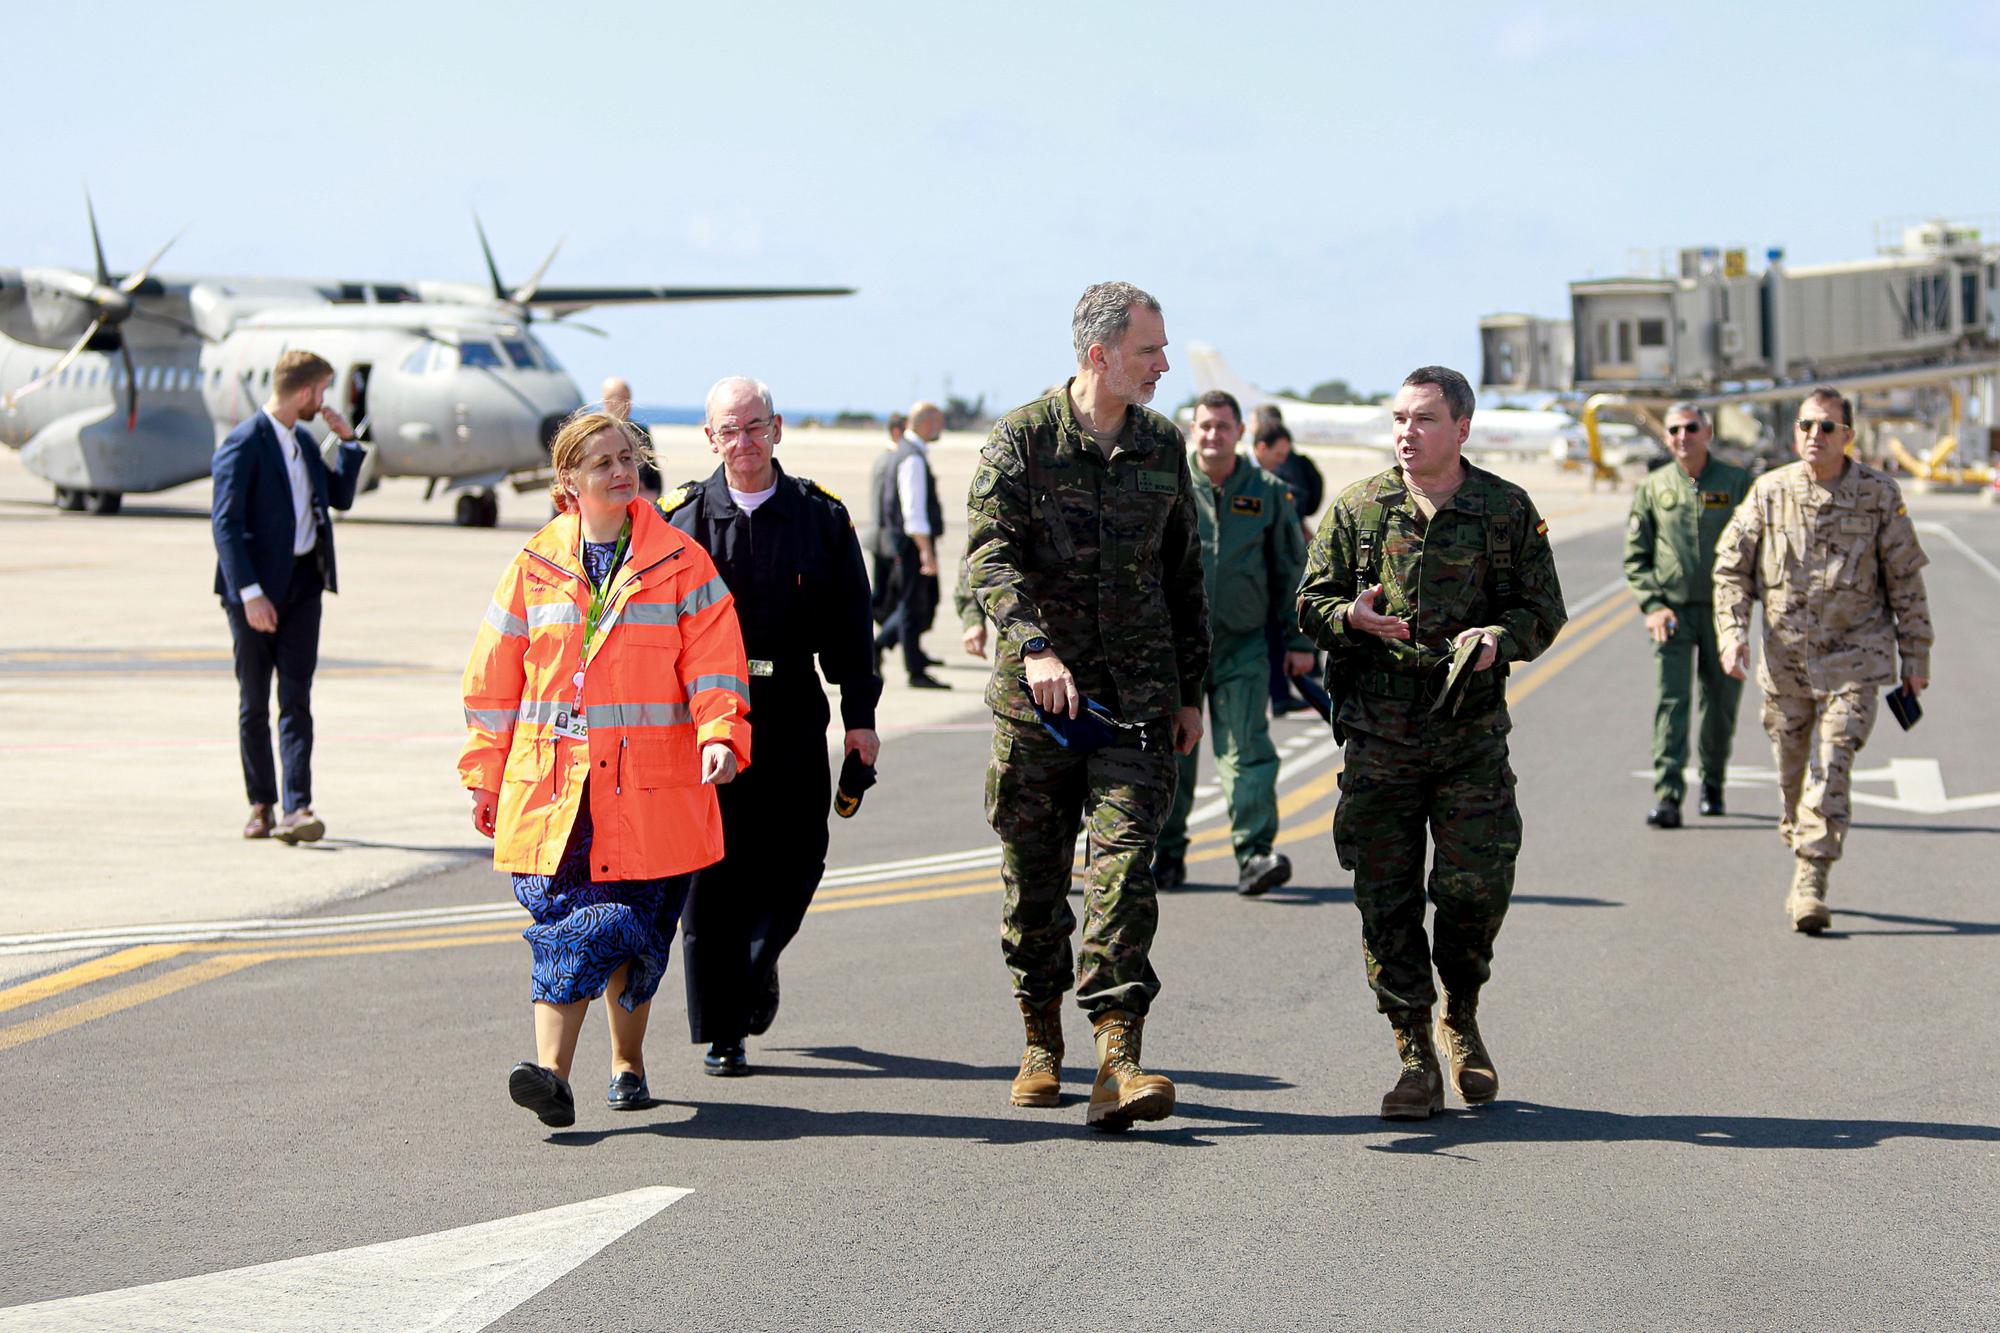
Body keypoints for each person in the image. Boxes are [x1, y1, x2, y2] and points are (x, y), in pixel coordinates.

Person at [460, 410, 751, 1127]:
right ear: (569, 482)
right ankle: (551, 1075)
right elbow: (493, 682)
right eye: (602, 463)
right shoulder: (534, 565)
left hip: (652, 786)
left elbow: (717, 664)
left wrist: (720, 734)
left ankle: (628, 1062)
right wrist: (484, 773)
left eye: (627, 457)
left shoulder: (682, 561)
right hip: (560, 792)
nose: (621, 472)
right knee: (575, 919)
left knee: (640, 930)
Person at [965, 280, 1208, 1131]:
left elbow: (1184, 577)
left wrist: (1190, 692)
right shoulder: (1022, 441)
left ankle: (1118, 1052)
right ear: (1099, 354)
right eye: (1151, 351)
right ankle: (1040, 1039)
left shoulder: (1163, 446)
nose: (1165, 365)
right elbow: (987, 556)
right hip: (1037, 714)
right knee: (1034, 886)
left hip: (1136, 707)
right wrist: (1034, 645)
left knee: (1123, 873)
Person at [1297, 366, 1566, 1121]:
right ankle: (1413, 1049)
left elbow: (1544, 610)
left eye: (1423, 419)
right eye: (1398, 419)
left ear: (1462, 429)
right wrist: (1350, 617)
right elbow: (1308, 604)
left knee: (1475, 888)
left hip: (1469, 737)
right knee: (1385, 898)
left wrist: (1498, 637)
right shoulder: (1359, 510)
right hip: (1378, 741)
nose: (1406, 433)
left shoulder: (1504, 510)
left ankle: (1463, 1011)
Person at [659, 376, 882, 1076]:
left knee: (797, 862)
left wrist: (861, 719)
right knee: (710, 881)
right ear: (710, 438)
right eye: (731, 429)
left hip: (789, 714)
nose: (745, 441)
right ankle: (724, 1027)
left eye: (756, 426)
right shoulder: (682, 522)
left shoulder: (820, 518)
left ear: (777, 428)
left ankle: (756, 968)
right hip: (705, 727)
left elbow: (852, 625)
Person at [1712, 387, 1933, 934]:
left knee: (1832, 763)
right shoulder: (1769, 492)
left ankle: (1812, 877)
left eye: (1828, 427)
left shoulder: (1880, 495)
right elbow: (1730, 569)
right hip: (1785, 663)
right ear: (1796, 433)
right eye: (1808, 425)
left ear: (1848, 436)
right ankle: (1800, 832)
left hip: (1856, 660)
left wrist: (1916, 655)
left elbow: (1905, 580)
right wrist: (1732, 630)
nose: (1816, 435)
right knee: (1792, 775)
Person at [1154, 390, 1313, 896]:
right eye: (1204, 425)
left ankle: (1253, 855)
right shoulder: (1166, 486)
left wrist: (1299, 638)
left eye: (1223, 426)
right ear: (1190, 430)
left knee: (1246, 751)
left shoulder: (1267, 491)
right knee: (1169, 754)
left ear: (1240, 431)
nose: (1212, 435)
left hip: (1241, 645)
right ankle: (1166, 855)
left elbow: (1291, 569)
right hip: (1174, 650)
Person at [211, 349, 369, 844]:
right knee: (254, 701)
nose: (323, 401)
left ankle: (297, 808)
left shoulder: (302, 440)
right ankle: (262, 804)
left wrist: (347, 442)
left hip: (303, 586)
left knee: (296, 698)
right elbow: (226, 524)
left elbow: (339, 497)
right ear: (304, 392)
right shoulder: (244, 444)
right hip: (255, 592)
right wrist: (250, 593)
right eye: (321, 391)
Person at [1622, 401, 1752, 828]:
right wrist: (1653, 605)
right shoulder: (1654, 487)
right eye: (1674, 430)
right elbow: (1637, 556)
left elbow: (1758, 547)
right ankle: (1669, 794)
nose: (1682, 436)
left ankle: (1713, 782)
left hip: (1723, 613)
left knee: (1721, 701)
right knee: (1672, 701)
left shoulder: (1736, 483)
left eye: (1690, 428)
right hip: (1672, 613)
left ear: (1707, 432)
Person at [874, 401, 949, 688]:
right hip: (909, 544)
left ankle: (910, 659)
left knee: (914, 604)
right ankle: (906, 665)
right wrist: (925, 551)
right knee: (911, 606)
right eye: (938, 422)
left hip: (904, 543)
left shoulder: (906, 452)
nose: (941, 428)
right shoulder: (912, 459)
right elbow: (913, 511)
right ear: (926, 423)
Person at [1253, 421, 1325, 715]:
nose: (1283, 462)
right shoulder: (1247, 483)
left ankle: (1282, 693)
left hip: (1271, 581)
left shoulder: (1272, 483)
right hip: (1255, 585)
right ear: (1261, 449)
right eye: (1278, 455)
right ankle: (1279, 694)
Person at [868, 412, 909, 622]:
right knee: (891, 596)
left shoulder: (884, 458)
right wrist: (895, 543)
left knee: (884, 594)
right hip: (886, 538)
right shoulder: (893, 460)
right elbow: (887, 506)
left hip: (881, 536)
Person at [601, 377, 660, 501]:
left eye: (627, 399)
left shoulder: (640, 433)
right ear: (605, 400)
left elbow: (655, 480)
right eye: (618, 398)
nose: (625, 404)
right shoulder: (592, 435)